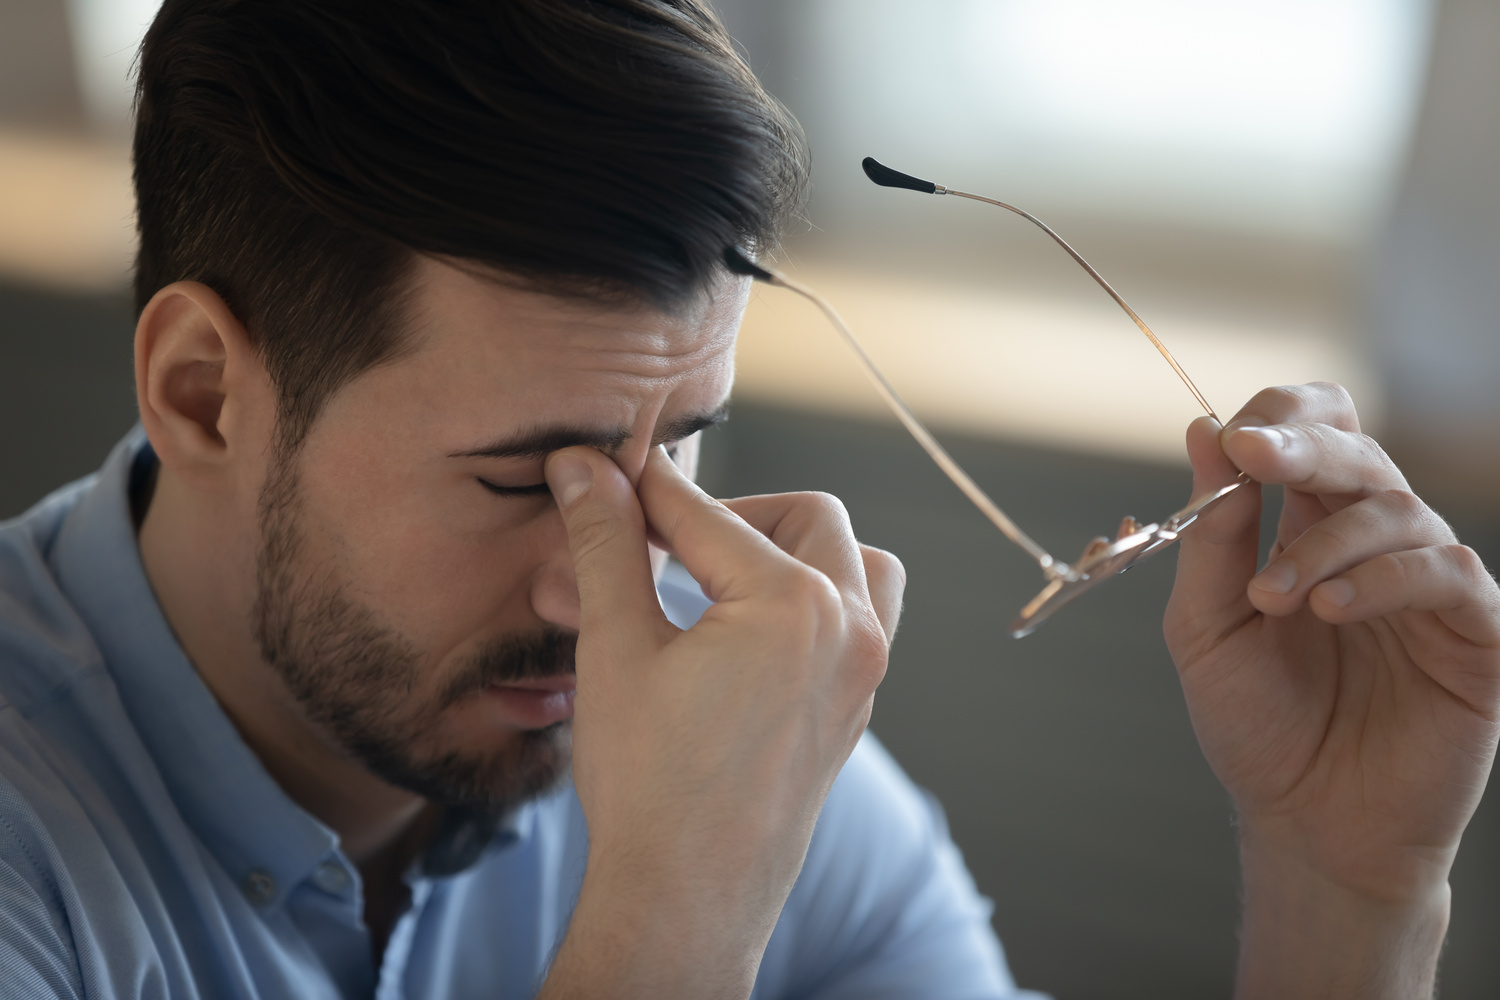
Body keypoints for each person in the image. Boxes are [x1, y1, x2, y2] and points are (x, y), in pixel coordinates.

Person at [0, 1, 1495, 998]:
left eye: (682, 447)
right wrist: (675, 908)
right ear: (204, 391)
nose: (614, 591)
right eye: (524, 477)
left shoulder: (744, 756)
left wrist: (1346, 893)